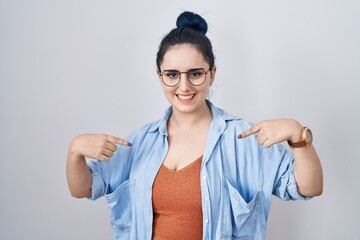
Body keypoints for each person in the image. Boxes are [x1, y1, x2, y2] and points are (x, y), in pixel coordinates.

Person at [66, 11, 323, 240]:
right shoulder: (140, 142)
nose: (184, 86)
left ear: (211, 73)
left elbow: (308, 187)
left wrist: (298, 136)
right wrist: (75, 150)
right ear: (160, 75)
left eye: (195, 73)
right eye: (172, 75)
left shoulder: (245, 138)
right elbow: (83, 188)